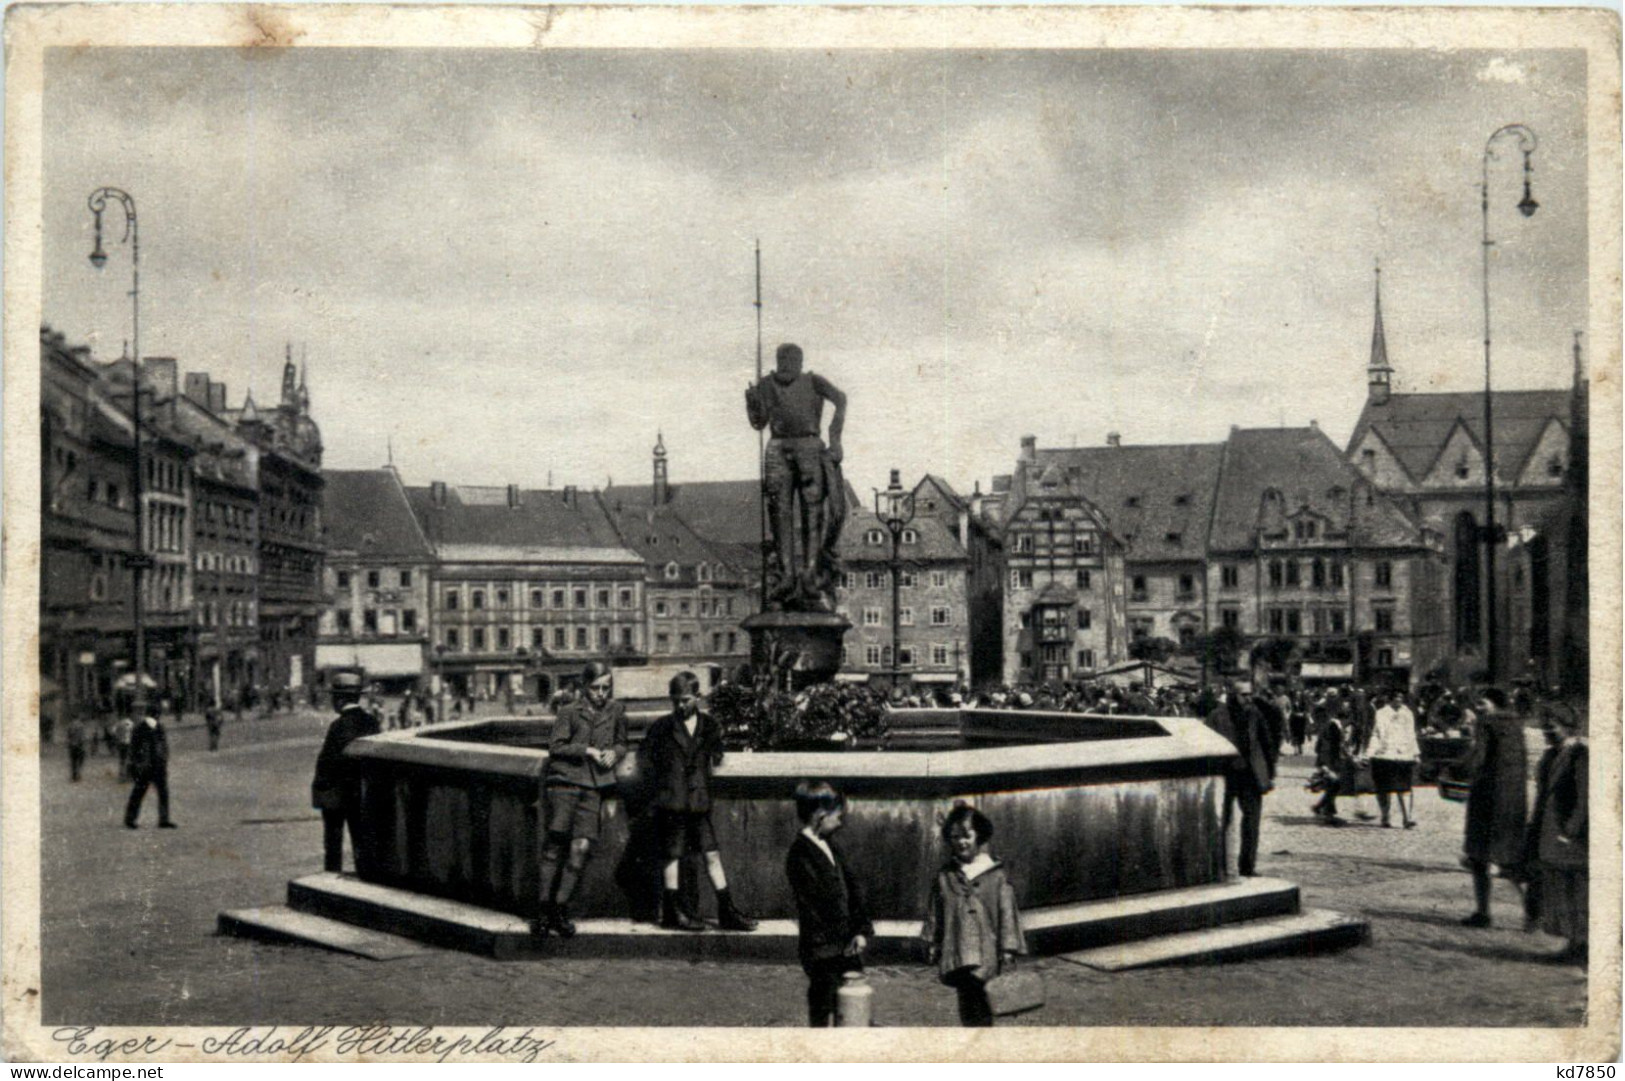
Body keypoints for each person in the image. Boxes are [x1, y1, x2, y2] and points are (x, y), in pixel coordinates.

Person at [641, 670, 757, 933]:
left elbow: (717, 755)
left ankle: (726, 910)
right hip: (673, 803)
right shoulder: (661, 727)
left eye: (685, 700)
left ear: (698, 697)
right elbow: (647, 759)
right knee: (672, 855)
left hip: (698, 802)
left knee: (711, 853)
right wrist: (663, 786)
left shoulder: (710, 726)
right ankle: (671, 911)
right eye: (676, 701)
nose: (680, 705)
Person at [744, 342, 848, 612]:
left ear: (800, 362)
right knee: (779, 513)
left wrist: (835, 438)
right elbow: (759, 423)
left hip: (809, 445)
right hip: (778, 447)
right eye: (783, 359)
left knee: (812, 513)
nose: (787, 363)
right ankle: (786, 578)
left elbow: (841, 399)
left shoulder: (813, 381)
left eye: (792, 359)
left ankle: (810, 577)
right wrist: (753, 402)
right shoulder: (767, 384)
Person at [533, 661, 628, 939]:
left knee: (580, 848)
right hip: (564, 784)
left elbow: (622, 742)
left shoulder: (617, 711)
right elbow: (556, 747)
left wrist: (616, 753)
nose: (602, 694)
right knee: (554, 847)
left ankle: (559, 908)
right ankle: (542, 911)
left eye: (606, 688)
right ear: (585, 687)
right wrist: (586, 750)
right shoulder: (568, 712)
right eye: (596, 688)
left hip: (594, 787)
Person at [921, 802, 1026, 1027]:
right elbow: (936, 911)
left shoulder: (995, 875)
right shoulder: (945, 876)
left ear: (979, 836)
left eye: (967, 836)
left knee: (985, 1001)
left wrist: (1008, 948)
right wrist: (933, 942)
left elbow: (1006, 911)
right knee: (967, 1002)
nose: (961, 842)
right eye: (955, 837)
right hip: (958, 949)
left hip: (987, 950)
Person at [786, 781, 873, 1027]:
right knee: (824, 1008)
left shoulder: (831, 846)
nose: (841, 822)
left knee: (850, 1008)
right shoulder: (800, 855)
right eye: (838, 816)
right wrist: (845, 937)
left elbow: (852, 889)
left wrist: (860, 930)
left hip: (843, 945)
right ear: (821, 816)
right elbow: (817, 906)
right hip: (823, 948)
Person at [1459, 690, 1528, 928]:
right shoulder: (1517, 724)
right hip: (1512, 800)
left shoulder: (1486, 723)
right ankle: (1532, 915)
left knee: (1478, 858)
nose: (1478, 707)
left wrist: (1458, 768)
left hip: (1486, 797)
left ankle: (1483, 912)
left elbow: (1478, 757)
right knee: (1511, 862)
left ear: (1494, 704)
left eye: (1482, 702)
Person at [1525, 708, 1587, 963]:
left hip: (1572, 834)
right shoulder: (1552, 754)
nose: (1548, 732)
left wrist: (1572, 829)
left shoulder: (1580, 754)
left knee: (1578, 888)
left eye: (1553, 726)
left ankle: (1583, 945)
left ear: (1568, 726)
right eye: (1544, 727)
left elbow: (1585, 797)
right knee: (1560, 886)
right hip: (1551, 828)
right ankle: (1574, 942)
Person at [1203, 683, 1279, 876]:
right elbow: (1205, 744)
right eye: (1244, 695)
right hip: (1226, 775)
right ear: (1233, 695)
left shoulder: (1255, 714)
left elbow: (1267, 742)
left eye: (1250, 695)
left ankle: (1247, 866)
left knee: (1252, 822)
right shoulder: (1216, 716)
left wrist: (1269, 773)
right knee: (1222, 821)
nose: (1249, 699)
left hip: (1251, 776)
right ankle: (1218, 866)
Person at [311, 671, 380, 873]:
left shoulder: (338, 726)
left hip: (337, 795)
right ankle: (366, 873)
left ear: (340, 699)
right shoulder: (371, 722)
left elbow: (328, 762)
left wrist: (321, 790)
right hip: (363, 792)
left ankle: (332, 879)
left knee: (333, 844)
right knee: (362, 840)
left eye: (333, 696)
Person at [1367, 692, 1420, 829]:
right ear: (1389, 699)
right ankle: (1385, 816)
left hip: (1403, 754)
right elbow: (1376, 732)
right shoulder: (1381, 713)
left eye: (1401, 698)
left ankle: (1407, 818)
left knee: (1405, 787)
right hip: (1384, 754)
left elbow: (1411, 734)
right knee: (1384, 787)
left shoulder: (1408, 713)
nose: (1399, 701)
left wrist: (1415, 753)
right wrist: (1370, 752)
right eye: (1396, 698)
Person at [123, 712, 175, 829]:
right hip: (157, 766)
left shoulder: (139, 728)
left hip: (145, 766)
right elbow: (164, 747)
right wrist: (164, 761)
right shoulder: (159, 728)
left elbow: (133, 748)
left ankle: (130, 819)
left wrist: (135, 764)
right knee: (162, 793)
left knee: (138, 793)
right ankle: (164, 819)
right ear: (157, 715)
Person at [66, 715, 88, 782]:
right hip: (79, 745)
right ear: (78, 718)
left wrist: (70, 743)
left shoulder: (70, 725)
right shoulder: (81, 725)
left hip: (72, 745)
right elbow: (82, 736)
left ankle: (74, 776)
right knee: (80, 760)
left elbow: (68, 736)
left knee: (73, 761)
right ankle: (78, 774)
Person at [113, 714, 134, 781]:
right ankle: (129, 775)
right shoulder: (131, 723)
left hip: (121, 743)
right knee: (130, 758)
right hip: (129, 743)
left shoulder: (119, 723)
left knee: (122, 759)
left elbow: (113, 731)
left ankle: (121, 774)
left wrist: (118, 737)